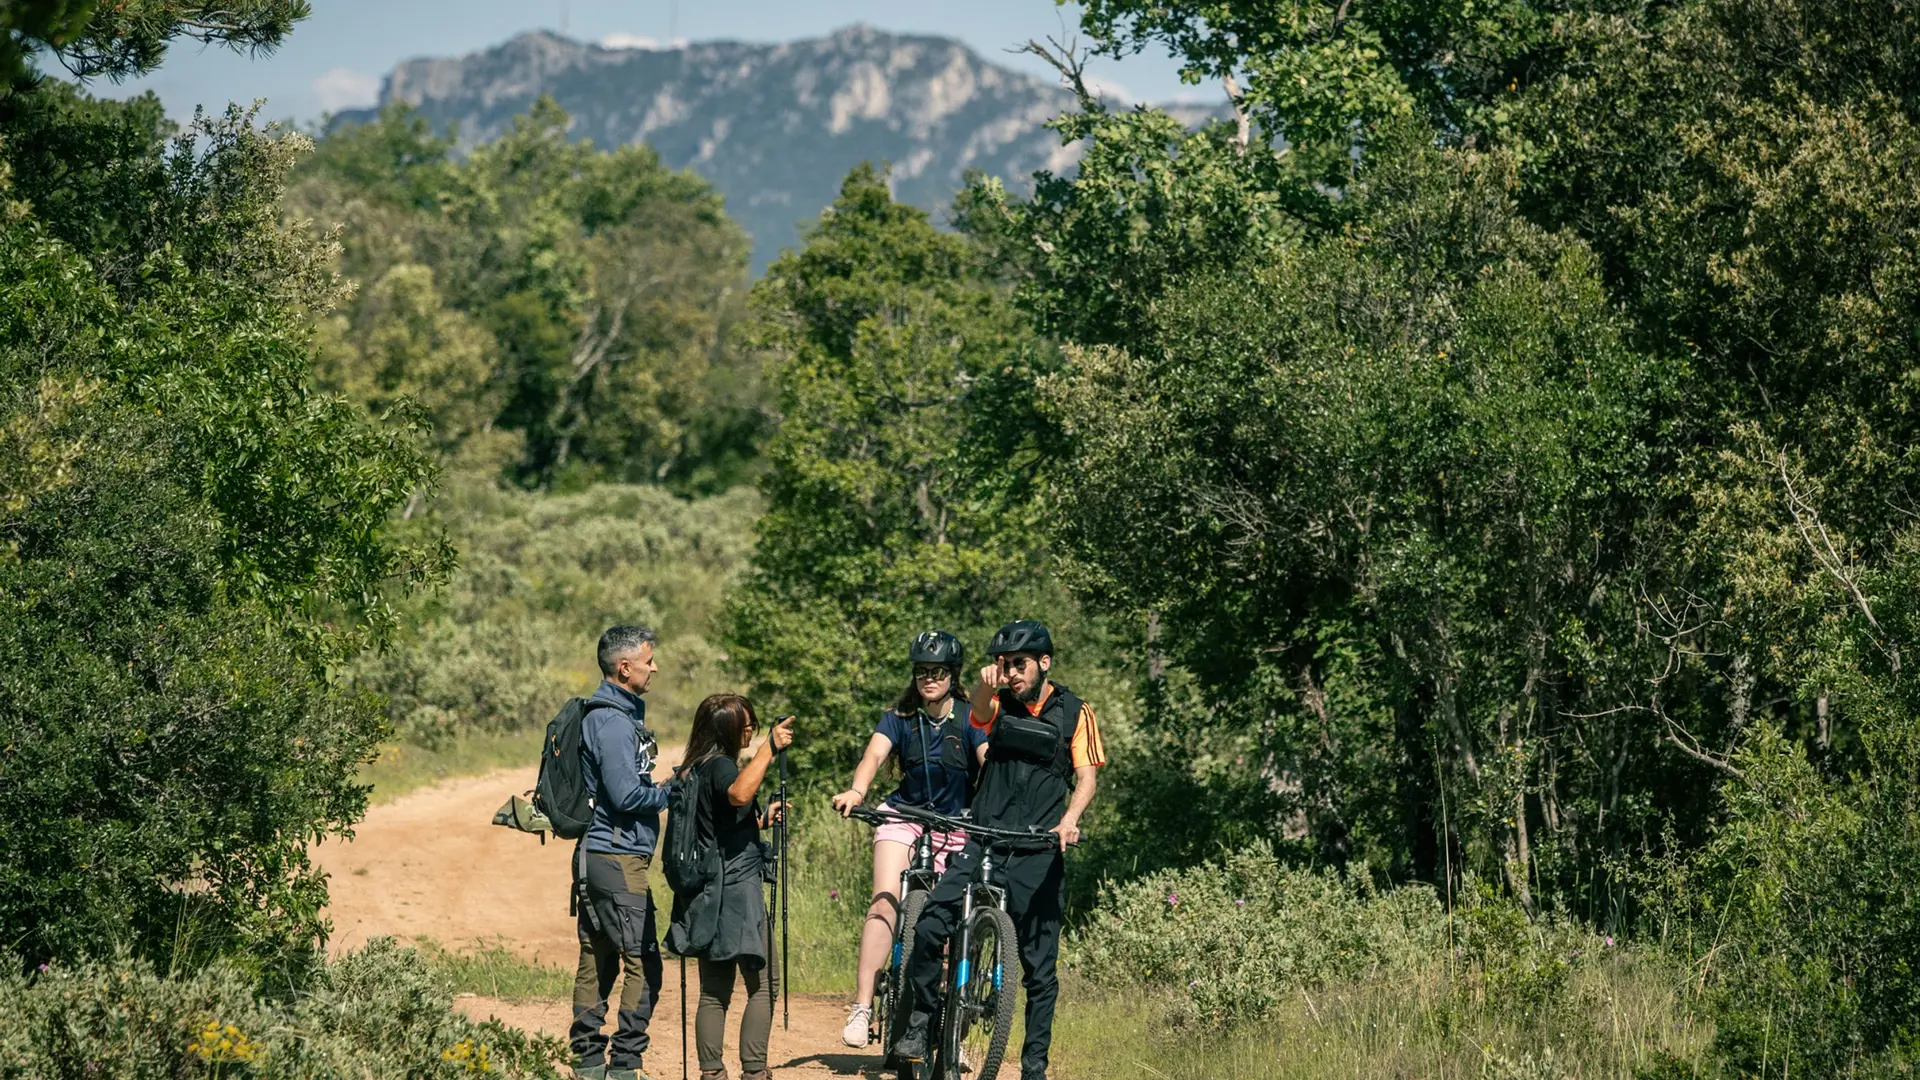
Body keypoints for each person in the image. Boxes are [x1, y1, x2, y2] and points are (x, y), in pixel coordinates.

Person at [894, 620, 1107, 1080]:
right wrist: (983, 686)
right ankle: (920, 1023)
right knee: (930, 928)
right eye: (1004, 664)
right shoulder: (996, 702)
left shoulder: (1076, 711)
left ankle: (1034, 1069)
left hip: (1038, 847)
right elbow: (979, 711)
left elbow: (1087, 775)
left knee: (1041, 973)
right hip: (985, 838)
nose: (1011, 672)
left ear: (1044, 663)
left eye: (1019, 664)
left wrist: (1068, 822)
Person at [828, 630, 988, 1047]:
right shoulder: (898, 717)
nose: (928, 679)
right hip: (905, 815)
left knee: (953, 921)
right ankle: (862, 1007)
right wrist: (857, 792)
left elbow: (988, 764)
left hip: (957, 823)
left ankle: (951, 1026)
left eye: (937, 671)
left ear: (953, 675)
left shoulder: (971, 719)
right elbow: (874, 755)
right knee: (885, 900)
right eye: (921, 672)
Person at [669, 693, 795, 1080]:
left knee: (714, 990)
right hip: (737, 889)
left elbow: (720, 820)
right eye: (746, 725)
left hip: (706, 888)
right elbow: (739, 792)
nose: (750, 730)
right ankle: (754, 1072)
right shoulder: (723, 765)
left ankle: (712, 1074)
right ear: (725, 729)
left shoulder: (695, 767)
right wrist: (768, 749)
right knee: (764, 983)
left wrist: (760, 821)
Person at [571, 625, 670, 1080]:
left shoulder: (607, 715)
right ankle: (624, 1067)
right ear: (624, 667)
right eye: (649, 661)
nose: (655, 668)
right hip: (616, 857)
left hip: (598, 855)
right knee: (643, 964)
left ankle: (588, 1064)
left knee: (598, 958)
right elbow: (627, 795)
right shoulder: (612, 722)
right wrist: (670, 791)